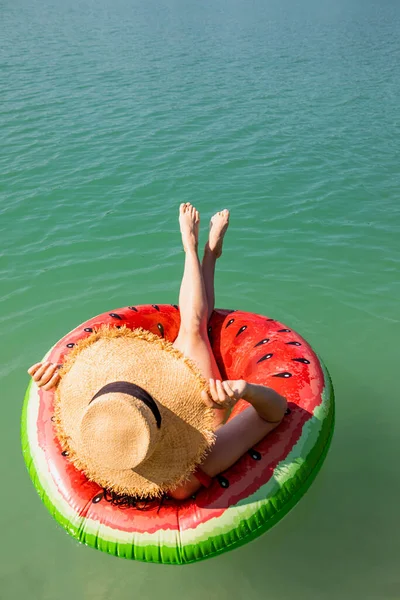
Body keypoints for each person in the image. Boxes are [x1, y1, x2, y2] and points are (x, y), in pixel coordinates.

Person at [28, 203, 287, 501]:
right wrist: (246, 391)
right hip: (199, 406)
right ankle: (197, 251)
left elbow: (107, 418)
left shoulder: (97, 439)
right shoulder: (191, 469)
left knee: (195, 326)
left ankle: (206, 253)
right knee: (193, 328)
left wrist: (60, 382)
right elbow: (273, 415)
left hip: (136, 402)